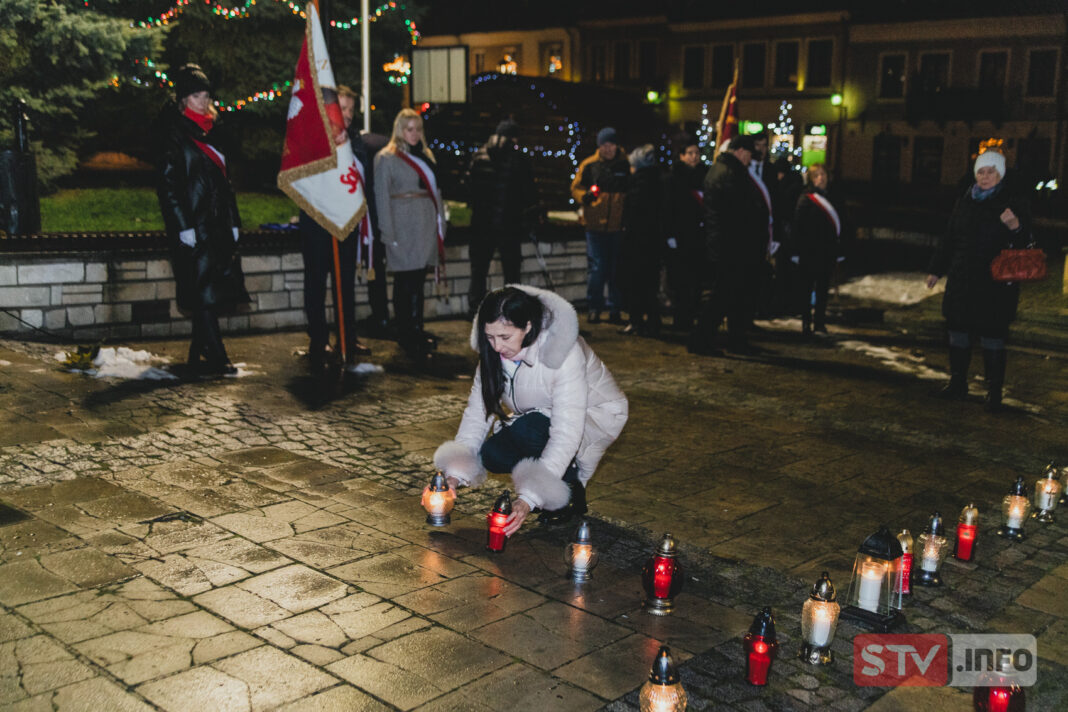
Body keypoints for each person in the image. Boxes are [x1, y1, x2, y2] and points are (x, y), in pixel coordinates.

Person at [433, 285, 628, 534]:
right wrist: (453, 475)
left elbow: (566, 433)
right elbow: (477, 413)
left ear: (527, 327)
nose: (496, 347)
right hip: (538, 414)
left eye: (505, 337)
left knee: (528, 430)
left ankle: (568, 491)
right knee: (493, 453)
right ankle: (554, 481)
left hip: (595, 414)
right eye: (489, 337)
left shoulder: (564, 353)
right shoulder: (492, 353)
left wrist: (528, 498)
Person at [155, 63, 248, 376]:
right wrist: (182, 225)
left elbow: (226, 180)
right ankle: (216, 353)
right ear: (183, 98)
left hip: (217, 221)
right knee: (203, 289)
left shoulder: (215, 130)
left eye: (206, 93)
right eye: (196, 94)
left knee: (210, 287)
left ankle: (199, 348)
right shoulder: (172, 132)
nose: (203, 99)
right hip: (193, 224)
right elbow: (168, 185)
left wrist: (233, 219)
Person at [924, 150, 1030, 411]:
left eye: (991, 171)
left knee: (992, 336)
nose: (985, 177)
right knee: (958, 331)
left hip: (995, 283)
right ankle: (958, 384)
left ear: (1000, 174)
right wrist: (936, 269)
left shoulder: (1011, 202)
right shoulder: (964, 201)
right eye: (981, 172)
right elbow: (949, 238)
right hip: (962, 278)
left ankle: (994, 393)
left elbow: (1028, 245)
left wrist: (1016, 226)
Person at [299, 85, 373, 370]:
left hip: (347, 221)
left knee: (345, 284)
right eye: (341, 108)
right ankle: (319, 339)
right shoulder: (315, 141)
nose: (347, 115)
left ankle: (347, 336)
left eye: (351, 110)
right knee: (316, 283)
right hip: (318, 222)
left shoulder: (355, 142)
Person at [374, 108, 446, 358]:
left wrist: (441, 223)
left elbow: (436, 191)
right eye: (409, 129)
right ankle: (405, 332)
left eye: (418, 129)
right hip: (402, 226)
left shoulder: (426, 155)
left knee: (418, 280)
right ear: (399, 130)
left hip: (424, 224)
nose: (414, 134)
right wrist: (387, 232)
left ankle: (417, 327)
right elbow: (381, 198)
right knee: (404, 281)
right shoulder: (386, 157)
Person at [689, 134, 770, 355]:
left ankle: (734, 339)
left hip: (730, 245)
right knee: (723, 296)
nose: (750, 160)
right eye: (749, 155)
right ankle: (703, 340)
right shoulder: (730, 174)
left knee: (732, 295)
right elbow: (740, 213)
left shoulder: (723, 170)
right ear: (740, 151)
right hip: (733, 246)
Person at [463, 119, 539, 316]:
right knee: (512, 271)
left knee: (479, 270)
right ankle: (512, 308)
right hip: (509, 223)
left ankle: (475, 309)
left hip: (481, 223)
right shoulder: (518, 159)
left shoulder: (478, 155)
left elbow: (469, 188)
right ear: (513, 137)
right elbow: (528, 192)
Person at [571, 127, 630, 325]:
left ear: (616, 145)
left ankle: (615, 308)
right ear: (599, 146)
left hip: (617, 227)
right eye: (604, 145)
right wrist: (585, 197)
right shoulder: (589, 165)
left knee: (616, 270)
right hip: (595, 226)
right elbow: (576, 188)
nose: (608, 148)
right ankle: (594, 307)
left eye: (611, 144)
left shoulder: (625, 165)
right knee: (597, 268)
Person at [791, 163, 845, 336]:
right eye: (816, 175)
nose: (821, 178)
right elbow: (798, 226)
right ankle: (806, 322)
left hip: (827, 251)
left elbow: (842, 224)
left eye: (823, 174)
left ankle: (820, 323)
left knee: (823, 289)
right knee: (806, 290)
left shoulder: (834, 198)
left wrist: (840, 250)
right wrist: (796, 251)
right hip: (809, 251)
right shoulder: (806, 198)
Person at [663, 134, 707, 330]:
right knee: (681, 280)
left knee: (697, 279)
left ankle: (693, 314)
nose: (694, 157)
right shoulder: (674, 178)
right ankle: (682, 318)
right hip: (681, 235)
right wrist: (670, 234)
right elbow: (669, 207)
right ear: (681, 156)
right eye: (690, 153)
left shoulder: (704, 175)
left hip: (699, 235)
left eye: (697, 153)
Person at [620, 144, 664, 336]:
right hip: (653, 243)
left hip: (637, 243)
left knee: (636, 283)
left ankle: (636, 320)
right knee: (650, 284)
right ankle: (653, 321)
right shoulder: (659, 181)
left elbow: (631, 217)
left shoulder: (636, 185)